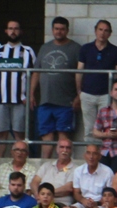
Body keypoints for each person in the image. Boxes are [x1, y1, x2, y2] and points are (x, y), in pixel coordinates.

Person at [0, 20, 36, 157]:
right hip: (1, 100)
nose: (13, 31)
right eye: (10, 28)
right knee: (1, 133)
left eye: (16, 29)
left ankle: (22, 163)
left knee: (20, 133)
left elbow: (35, 75)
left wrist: (31, 94)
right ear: (6, 31)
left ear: (21, 31)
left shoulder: (28, 51)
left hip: (20, 101)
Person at [32, 17, 81, 159]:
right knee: (46, 136)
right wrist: (31, 93)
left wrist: (79, 96)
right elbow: (36, 72)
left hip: (66, 102)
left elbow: (81, 74)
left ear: (67, 30)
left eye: (62, 29)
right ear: (52, 30)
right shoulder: (45, 47)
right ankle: (45, 166)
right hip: (45, 101)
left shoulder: (76, 48)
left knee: (64, 138)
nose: (59, 31)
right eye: (56, 29)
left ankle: (63, 168)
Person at [76, 19, 117, 136]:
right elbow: (79, 71)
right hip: (87, 93)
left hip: (106, 95)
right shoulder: (86, 48)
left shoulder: (115, 51)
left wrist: (116, 94)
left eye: (106, 30)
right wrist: (79, 91)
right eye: (100, 30)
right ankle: (91, 154)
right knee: (89, 129)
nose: (102, 33)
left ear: (110, 33)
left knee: (107, 127)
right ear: (95, 31)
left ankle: (104, 154)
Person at [72, 144, 114, 208]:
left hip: (102, 206)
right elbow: (76, 193)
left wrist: (97, 203)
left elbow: (110, 196)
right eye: (88, 153)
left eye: (94, 154)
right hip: (83, 203)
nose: (91, 157)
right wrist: (83, 200)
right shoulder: (78, 171)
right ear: (84, 155)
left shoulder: (107, 172)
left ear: (99, 156)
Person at [31, 139, 77, 206]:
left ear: (71, 151)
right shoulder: (47, 165)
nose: (65, 150)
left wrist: (45, 195)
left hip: (60, 204)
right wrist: (37, 195)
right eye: (62, 147)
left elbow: (68, 188)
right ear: (57, 149)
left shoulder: (76, 169)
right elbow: (34, 182)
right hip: (38, 201)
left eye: (68, 148)